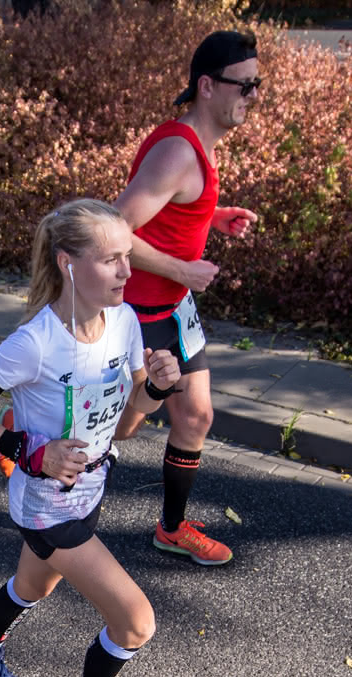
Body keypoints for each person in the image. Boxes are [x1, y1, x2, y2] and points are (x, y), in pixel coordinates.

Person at [0, 199, 182, 677]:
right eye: (112, 259)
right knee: (135, 621)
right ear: (69, 264)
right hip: (47, 505)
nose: (127, 271)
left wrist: (157, 389)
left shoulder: (125, 321)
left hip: (93, 485)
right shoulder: (35, 343)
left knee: (34, 584)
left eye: (128, 256)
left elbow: (128, 421)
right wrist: (27, 450)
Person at [112, 29, 262, 567]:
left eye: (257, 85)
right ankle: (25, 426)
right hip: (138, 312)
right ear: (207, 86)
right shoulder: (178, 151)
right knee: (124, 424)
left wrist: (209, 217)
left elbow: (171, 208)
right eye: (243, 86)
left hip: (175, 308)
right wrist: (182, 269)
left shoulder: (198, 148)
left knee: (195, 416)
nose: (252, 96)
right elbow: (114, 228)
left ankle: (171, 528)